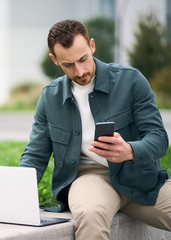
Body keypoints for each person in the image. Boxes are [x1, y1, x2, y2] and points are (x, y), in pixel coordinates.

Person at [19, 19, 171, 240]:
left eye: (83, 59)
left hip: (141, 178)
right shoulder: (49, 97)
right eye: (68, 65)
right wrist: (16, 195)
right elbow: (35, 154)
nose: (80, 71)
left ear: (92, 46)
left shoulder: (131, 80)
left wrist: (129, 150)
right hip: (90, 179)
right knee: (90, 215)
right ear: (55, 60)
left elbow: (159, 139)